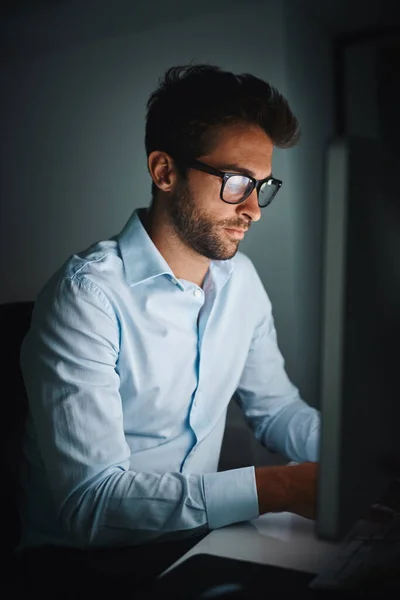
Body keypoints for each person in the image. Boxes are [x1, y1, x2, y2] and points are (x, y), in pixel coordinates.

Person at [17, 63, 320, 590]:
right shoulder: (86, 297)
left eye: (262, 186)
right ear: (164, 171)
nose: (254, 209)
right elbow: (90, 505)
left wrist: (355, 459)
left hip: (201, 536)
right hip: (81, 565)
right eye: (235, 183)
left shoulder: (241, 282)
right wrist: (281, 488)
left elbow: (277, 410)